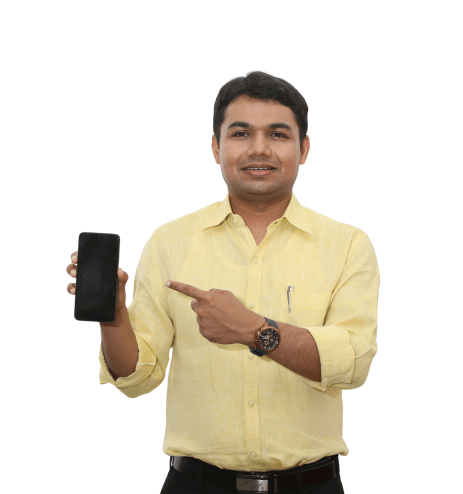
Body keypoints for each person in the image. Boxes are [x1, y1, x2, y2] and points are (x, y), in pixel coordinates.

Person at [66, 71, 380, 493]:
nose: (259, 148)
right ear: (216, 147)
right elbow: (136, 379)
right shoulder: (170, 242)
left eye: (278, 134)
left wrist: (253, 329)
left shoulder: (347, 245)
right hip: (194, 485)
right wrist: (114, 316)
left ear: (304, 149)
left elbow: (352, 363)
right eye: (240, 133)